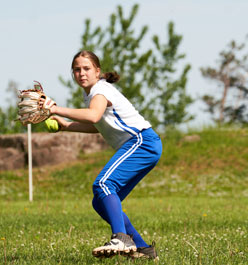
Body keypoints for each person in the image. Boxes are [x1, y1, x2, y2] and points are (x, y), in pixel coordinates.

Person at [48, 50, 162, 259]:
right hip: (145, 144)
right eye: (76, 69)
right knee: (100, 201)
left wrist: (56, 109)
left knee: (103, 185)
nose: (81, 73)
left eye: (86, 68)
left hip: (141, 141)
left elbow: (93, 115)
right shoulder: (92, 93)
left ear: (97, 71)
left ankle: (121, 238)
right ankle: (143, 248)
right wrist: (66, 127)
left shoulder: (100, 90)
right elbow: (97, 124)